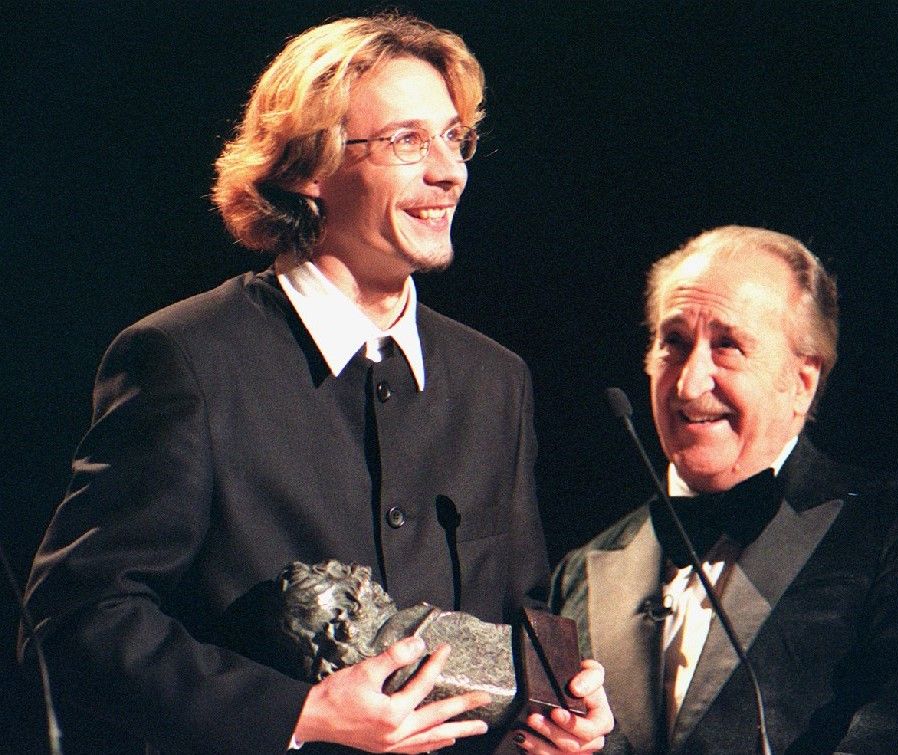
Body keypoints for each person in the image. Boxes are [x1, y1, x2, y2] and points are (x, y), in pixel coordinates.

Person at [20, 14, 611, 755]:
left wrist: (555, 706)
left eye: (453, 137)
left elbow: (519, 617)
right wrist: (297, 714)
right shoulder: (186, 358)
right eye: (407, 141)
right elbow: (78, 620)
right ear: (309, 167)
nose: (450, 171)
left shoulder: (493, 379)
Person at [549, 225, 898, 754]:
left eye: (728, 346)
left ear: (802, 382)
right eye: (673, 343)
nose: (688, 384)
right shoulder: (581, 571)